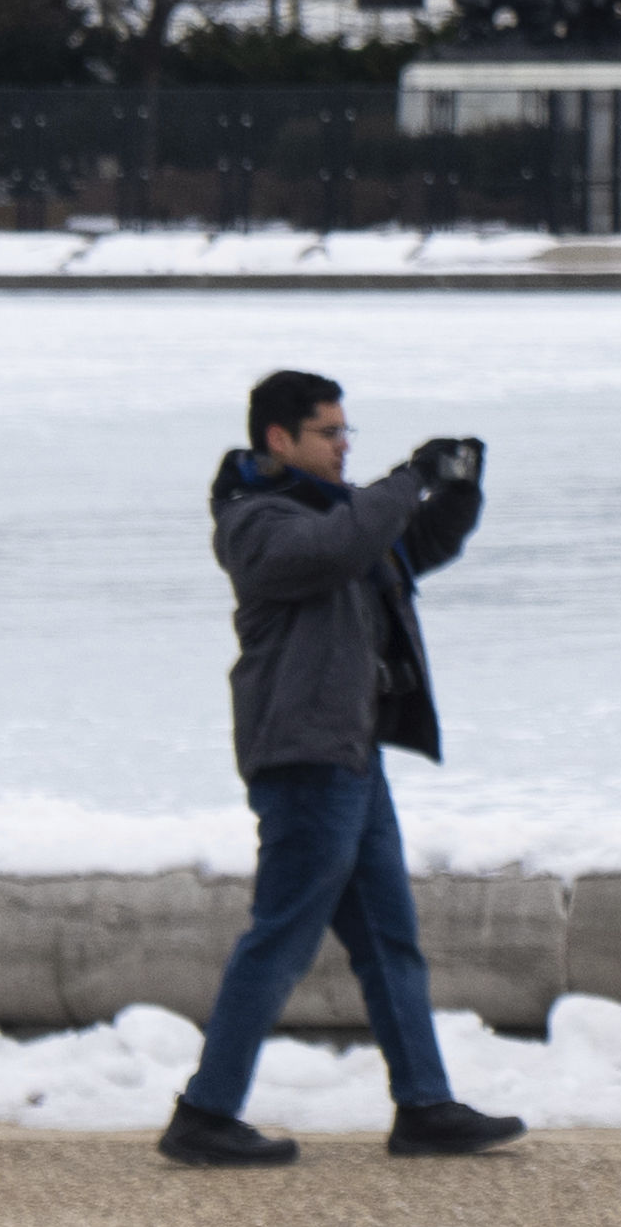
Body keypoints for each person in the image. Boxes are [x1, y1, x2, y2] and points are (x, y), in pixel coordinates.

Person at [169, 371, 524, 1172]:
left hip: (351, 758)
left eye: (345, 431)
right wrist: (408, 480)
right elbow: (340, 548)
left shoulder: (339, 513)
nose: (342, 444)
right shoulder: (257, 523)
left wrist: (459, 487)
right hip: (302, 760)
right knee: (281, 940)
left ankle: (426, 1108)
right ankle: (204, 1113)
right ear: (279, 440)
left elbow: (410, 547)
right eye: (328, 433)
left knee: (391, 941)